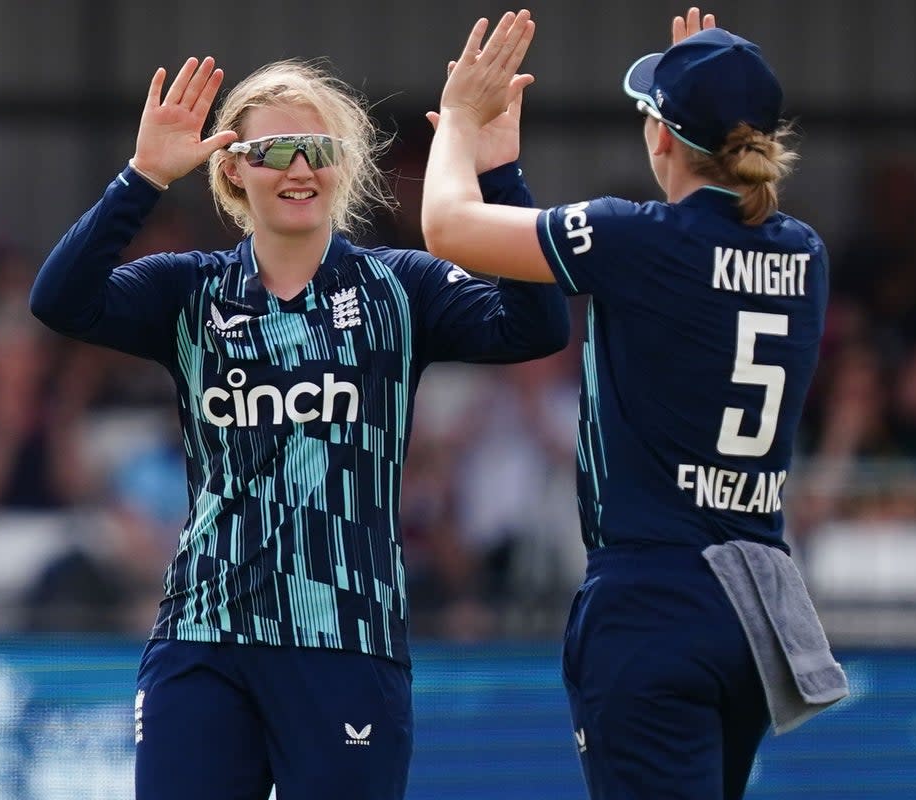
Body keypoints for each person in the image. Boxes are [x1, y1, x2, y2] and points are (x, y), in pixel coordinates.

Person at [29, 55, 568, 800]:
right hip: (204, 636)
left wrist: (500, 173)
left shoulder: (398, 287)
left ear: (343, 167)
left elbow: (534, 327)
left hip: (347, 640)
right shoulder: (188, 289)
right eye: (274, 151)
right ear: (232, 172)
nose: (299, 168)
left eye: (319, 150)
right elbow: (59, 300)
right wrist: (142, 177)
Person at [421, 8, 847, 800]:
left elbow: (446, 226)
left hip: (652, 604)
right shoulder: (804, 251)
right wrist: (507, 167)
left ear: (660, 138)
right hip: (752, 611)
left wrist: (462, 124)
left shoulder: (637, 238)